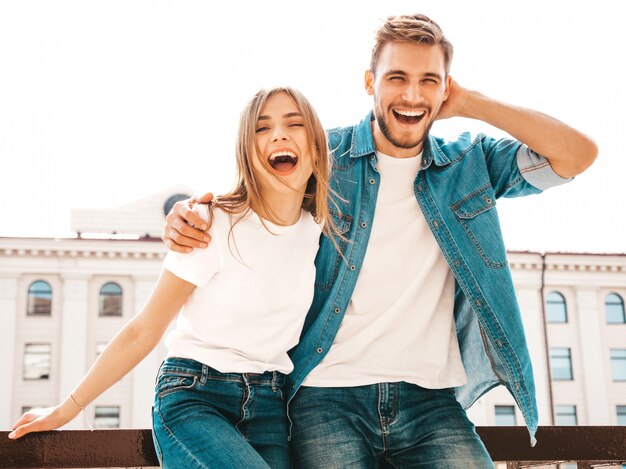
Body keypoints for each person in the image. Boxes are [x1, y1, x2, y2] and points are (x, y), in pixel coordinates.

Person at [164, 14, 598, 469]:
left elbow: (578, 155)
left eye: (429, 80)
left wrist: (473, 102)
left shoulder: (471, 163)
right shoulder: (323, 156)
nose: (412, 95)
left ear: (445, 88)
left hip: (430, 401)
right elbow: (251, 197)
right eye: (397, 78)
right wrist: (188, 214)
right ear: (370, 82)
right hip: (325, 396)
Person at [8, 87, 341, 469]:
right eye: (262, 129)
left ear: (316, 146)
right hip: (196, 396)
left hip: (269, 405)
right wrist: (67, 409)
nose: (279, 134)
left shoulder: (318, 229)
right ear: (247, 154)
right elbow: (143, 330)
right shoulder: (211, 223)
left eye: (294, 123)